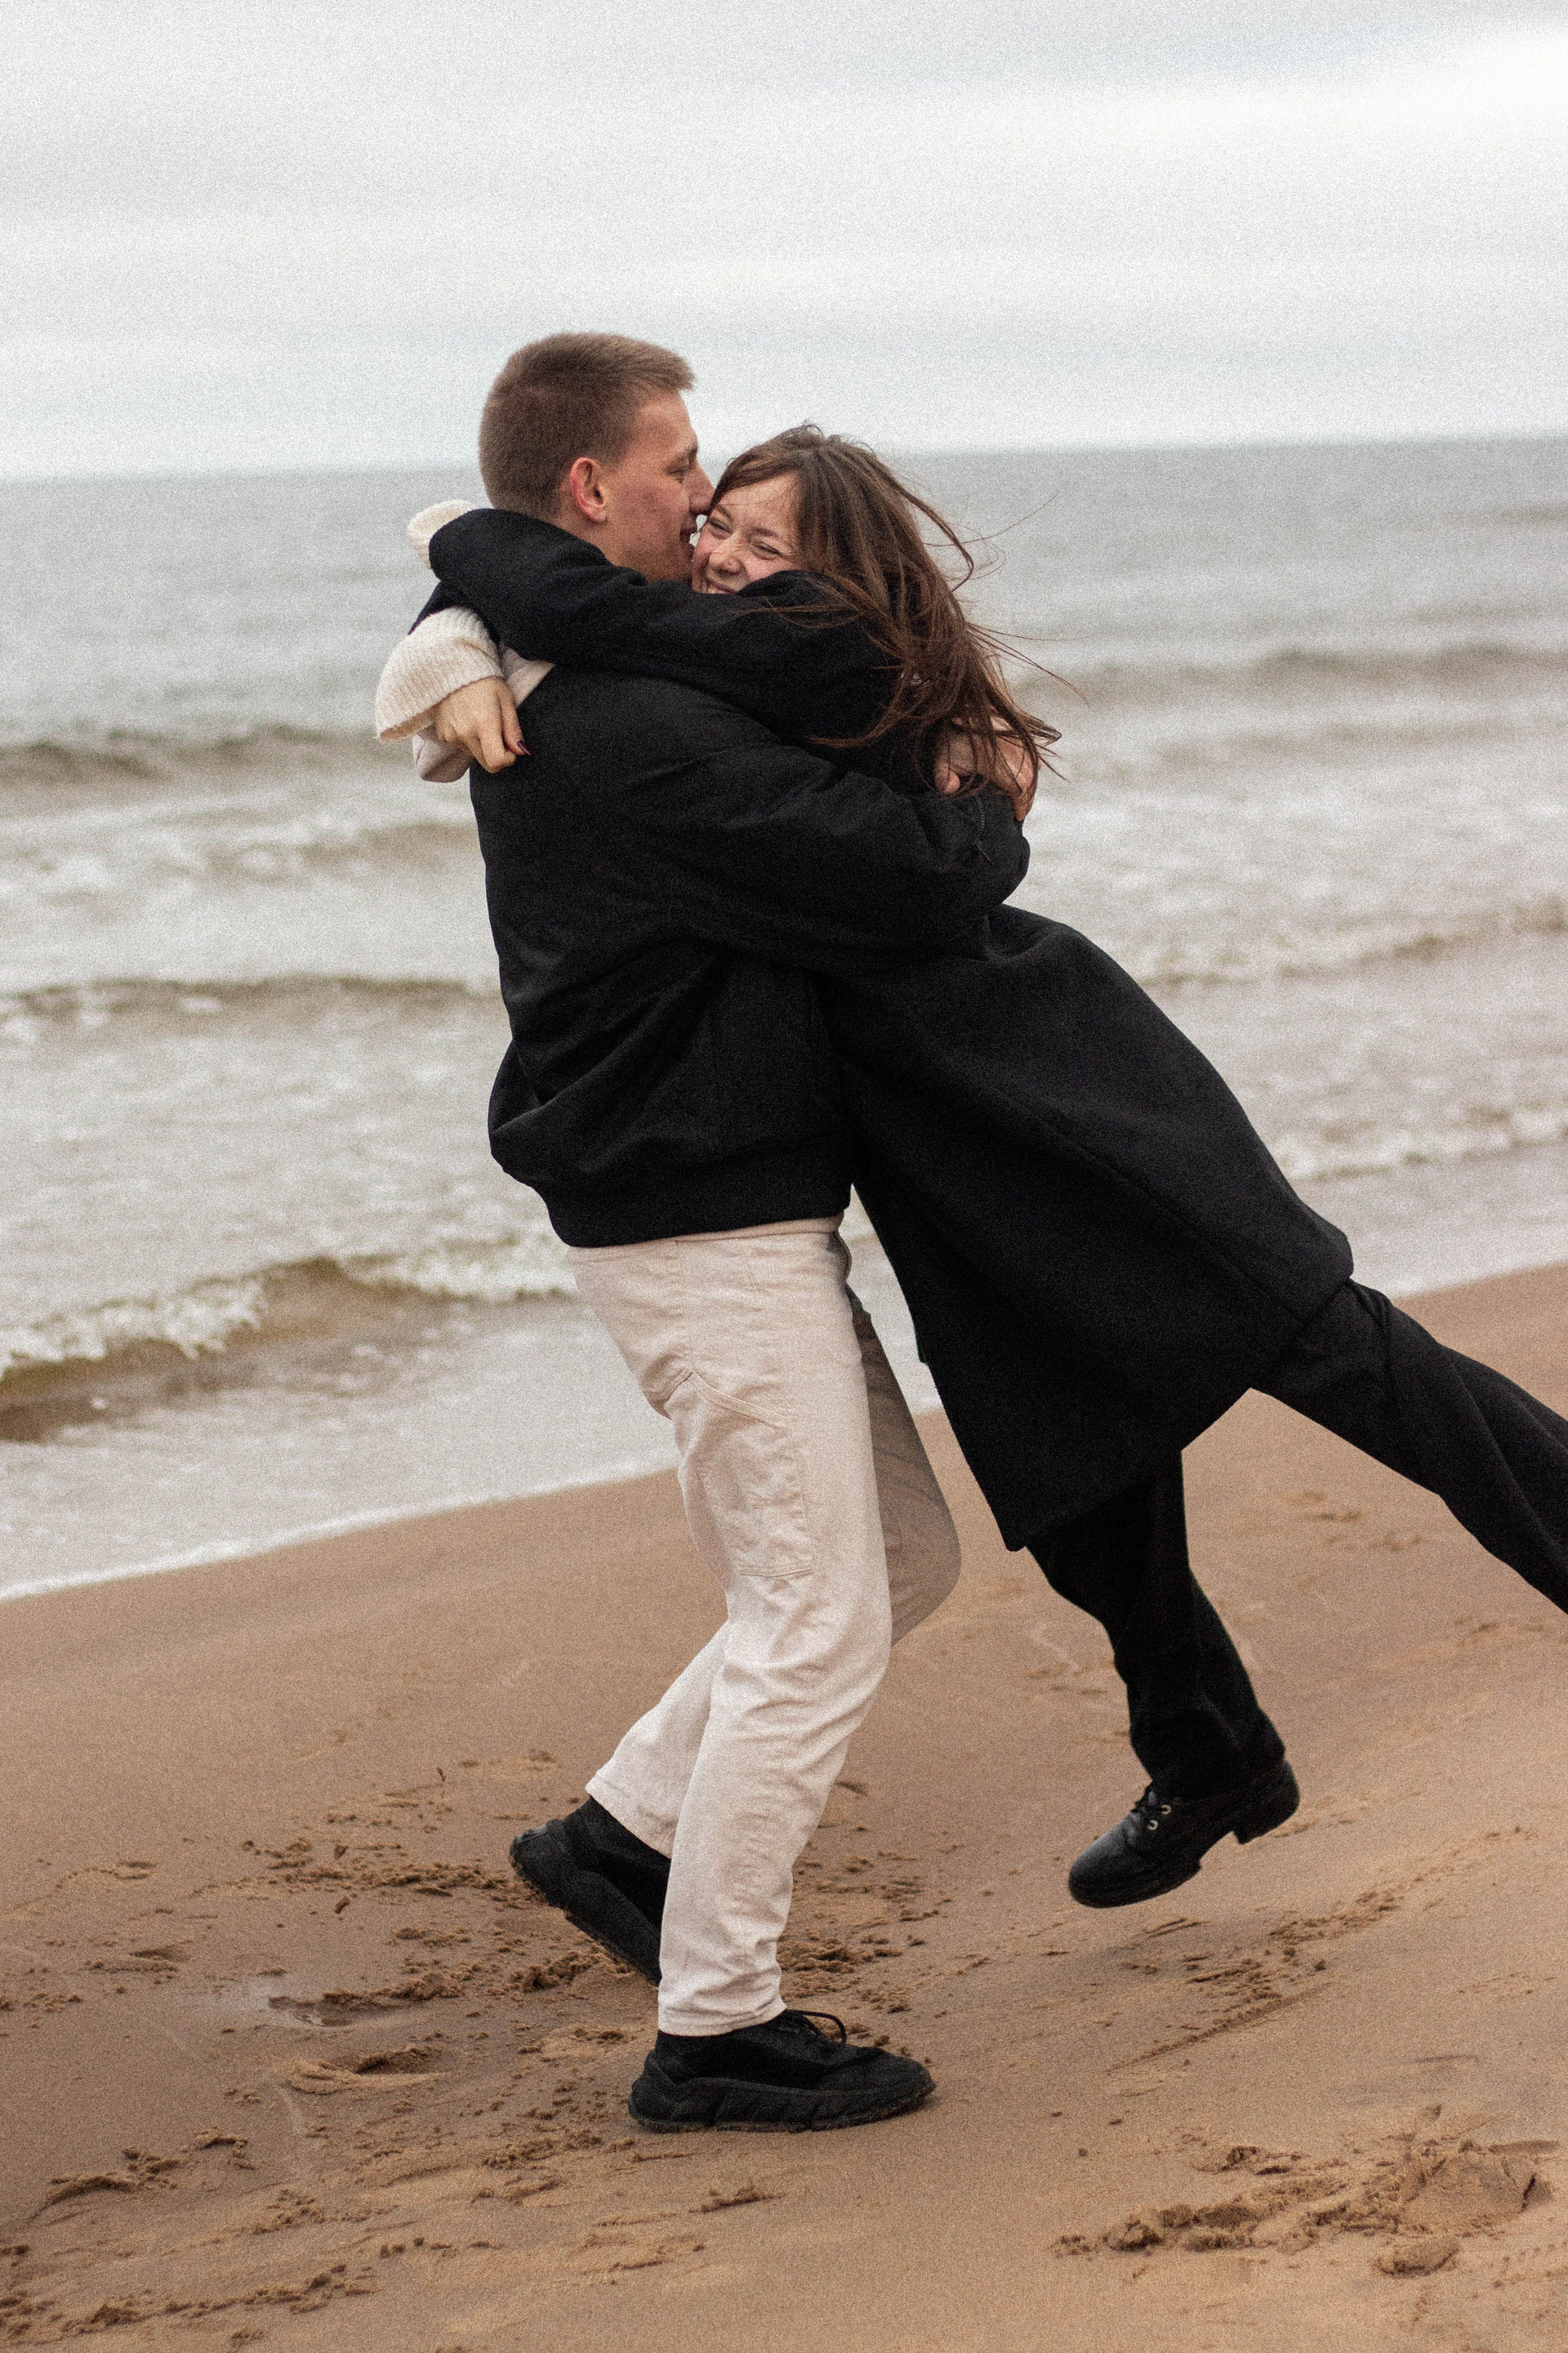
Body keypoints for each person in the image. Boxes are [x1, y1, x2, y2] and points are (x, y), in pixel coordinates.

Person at [385, 403, 1568, 1928]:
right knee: (1078, 1472)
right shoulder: (709, 651)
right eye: (717, 520)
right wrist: (453, 627)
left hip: (1056, 1085)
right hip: (932, 1144)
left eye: (764, 539)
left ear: (842, 573)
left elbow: (607, 624)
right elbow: (574, 603)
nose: (724, 554)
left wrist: (461, 557)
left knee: (1347, 1357)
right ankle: (1210, 1753)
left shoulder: (821, 653)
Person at [375, 332, 1045, 2134]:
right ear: (593, 485)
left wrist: (455, 596)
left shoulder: (588, 661)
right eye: (679, 466)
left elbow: (529, 591)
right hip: (694, 1220)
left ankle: (620, 1837)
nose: (702, 495)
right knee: (817, 1615)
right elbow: (903, 880)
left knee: (894, 1560)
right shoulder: (624, 726)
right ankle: (718, 2027)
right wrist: (983, 797)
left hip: (719, 1194)